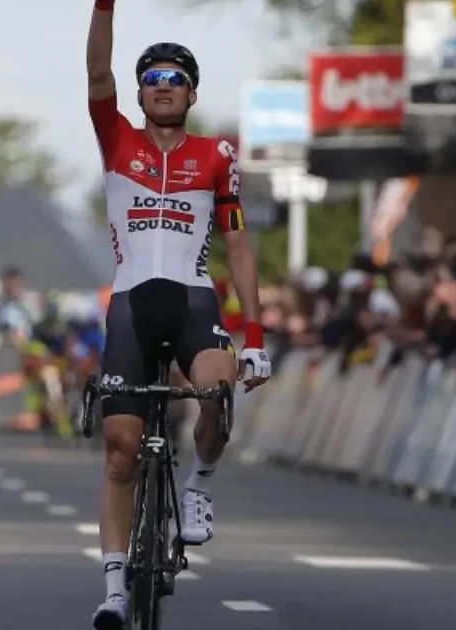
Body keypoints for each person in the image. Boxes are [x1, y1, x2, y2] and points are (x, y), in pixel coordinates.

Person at [85, 2, 271, 626]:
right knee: (120, 451)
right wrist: (104, 6)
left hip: (193, 300)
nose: (163, 87)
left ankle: (197, 486)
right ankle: (115, 589)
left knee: (217, 390)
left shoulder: (217, 155)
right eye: (152, 79)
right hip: (132, 304)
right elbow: (97, 73)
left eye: (175, 79)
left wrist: (255, 336)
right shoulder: (117, 140)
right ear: (140, 92)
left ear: (192, 93)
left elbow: (238, 244)